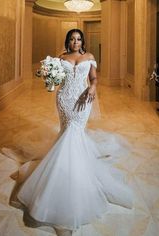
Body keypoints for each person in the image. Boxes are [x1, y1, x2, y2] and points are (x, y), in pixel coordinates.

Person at [13, 29, 134, 235]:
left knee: (75, 133)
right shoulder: (61, 58)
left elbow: (94, 79)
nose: (75, 42)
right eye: (72, 39)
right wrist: (48, 76)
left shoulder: (89, 57)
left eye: (78, 39)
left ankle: (71, 171)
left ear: (82, 41)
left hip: (83, 99)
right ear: (68, 41)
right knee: (67, 132)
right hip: (64, 99)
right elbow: (55, 82)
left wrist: (93, 88)